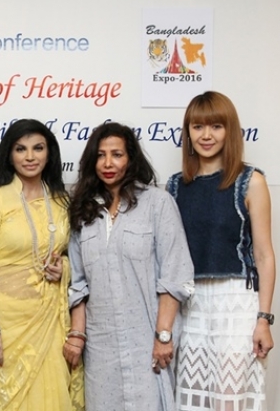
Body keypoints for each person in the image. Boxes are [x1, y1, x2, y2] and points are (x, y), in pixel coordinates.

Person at [65, 122, 195, 411]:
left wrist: (163, 335)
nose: (108, 163)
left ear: (131, 158)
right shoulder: (83, 211)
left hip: (147, 340)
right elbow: (78, 283)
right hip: (100, 347)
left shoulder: (157, 203)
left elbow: (175, 274)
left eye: (117, 154)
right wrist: (77, 335)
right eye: (100, 155)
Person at [167, 91, 276, 411]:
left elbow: (265, 255)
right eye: (198, 126)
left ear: (230, 131)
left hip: (236, 303)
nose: (206, 135)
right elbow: (170, 258)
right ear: (188, 132)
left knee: (231, 400)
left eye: (216, 126)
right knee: (190, 402)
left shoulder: (251, 181)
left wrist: (264, 320)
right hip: (191, 305)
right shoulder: (175, 186)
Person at [0, 119, 84, 410]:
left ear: (49, 153)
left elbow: (76, 260)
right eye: (21, 149)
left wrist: (63, 269)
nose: (30, 156)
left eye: (38, 148)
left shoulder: (62, 202)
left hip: (49, 320)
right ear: (9, 155)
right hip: (3, 321)